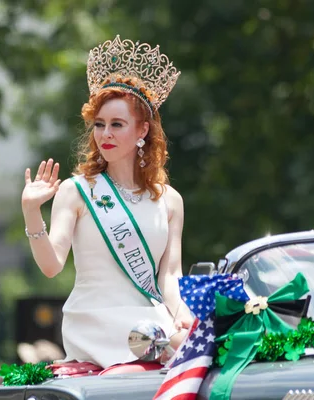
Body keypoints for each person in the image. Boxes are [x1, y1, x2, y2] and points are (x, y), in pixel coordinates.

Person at [21, 35, 194, 371]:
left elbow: (169, 277)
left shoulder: (170, 201)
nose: (105, 134)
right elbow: (51, 265)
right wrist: (31, 211)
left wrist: (183, 317)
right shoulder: (77, 191)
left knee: (198, 350)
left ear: (143, 130)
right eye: (99, 125)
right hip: (96, 320)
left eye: (117, 124)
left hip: (151, 320)